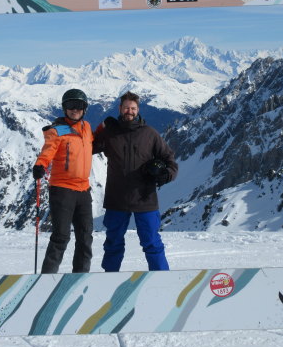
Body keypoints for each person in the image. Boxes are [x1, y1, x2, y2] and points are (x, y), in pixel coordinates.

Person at [93, 91, 178, 271]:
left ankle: (162, 279)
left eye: (132, 108)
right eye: (126, 108)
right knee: (113, 243)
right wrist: (101, 128)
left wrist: (166, 175)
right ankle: (108, 279)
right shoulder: (110, 133)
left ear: (138, 110)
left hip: (144, 198)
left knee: (151, 243)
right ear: (120, 109)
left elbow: (170, 160)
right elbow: (88, 146)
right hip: (117, 198)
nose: (129, 111)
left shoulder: (150, 134)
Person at [32, 89, 94, 273]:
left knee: (85, 236)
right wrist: (40, 164)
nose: (74, 110)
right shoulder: (56, 131)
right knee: (61, 236)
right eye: (70, 105)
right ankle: (47, 279)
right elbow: (48, 150)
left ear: (85, 109)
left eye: (79, 106)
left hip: (84, 190)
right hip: (62, 189)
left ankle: (79, 277)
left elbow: (92, 143)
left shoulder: (87, 128)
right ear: (64, 108)